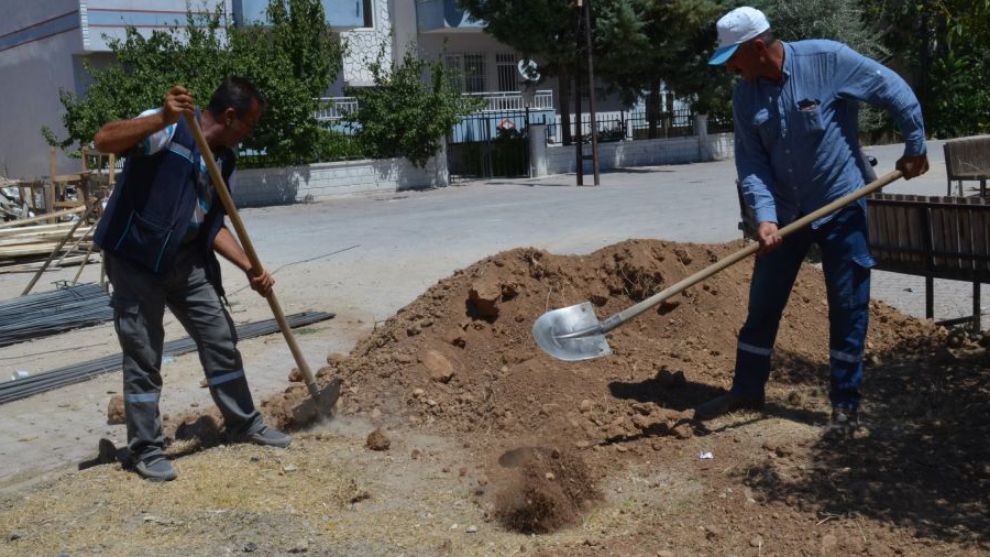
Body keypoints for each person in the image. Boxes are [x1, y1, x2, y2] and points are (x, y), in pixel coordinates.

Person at [696, 7, 929, 428]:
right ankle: (747, 391)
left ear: (756, 48)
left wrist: (916, 143)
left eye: (733, 58)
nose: (730, 68)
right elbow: (751, 165)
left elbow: (890, 87)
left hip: (841, 202)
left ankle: (845, 405)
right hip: (784, 215)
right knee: (763, 303)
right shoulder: (745, 95)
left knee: (848, 305)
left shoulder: (828, 60)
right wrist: (764, 219)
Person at [94, 77, 291, 481]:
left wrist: (250, 267)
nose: (249, 134)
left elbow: (212, 224)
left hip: (185, 261)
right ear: (231, 116)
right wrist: (162, 117)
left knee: (219, 336)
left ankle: (243, 422)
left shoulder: (222, 161)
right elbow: (104, 140)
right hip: (136, 260)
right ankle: (146, 448)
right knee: (144, 354)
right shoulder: (168, 128)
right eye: (249, 125)